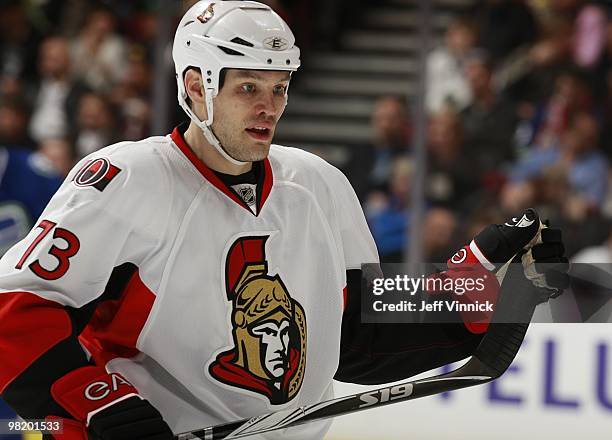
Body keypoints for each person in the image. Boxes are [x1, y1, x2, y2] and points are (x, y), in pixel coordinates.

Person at [0, 2, 569, 440]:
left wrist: (479, 283)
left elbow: (357, 334)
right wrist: (104, 407)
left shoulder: (318, 184)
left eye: (279, 88)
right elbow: (16, 314)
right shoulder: (125, 178)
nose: (269, 107)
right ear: (196, 86)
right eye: (248, 87)